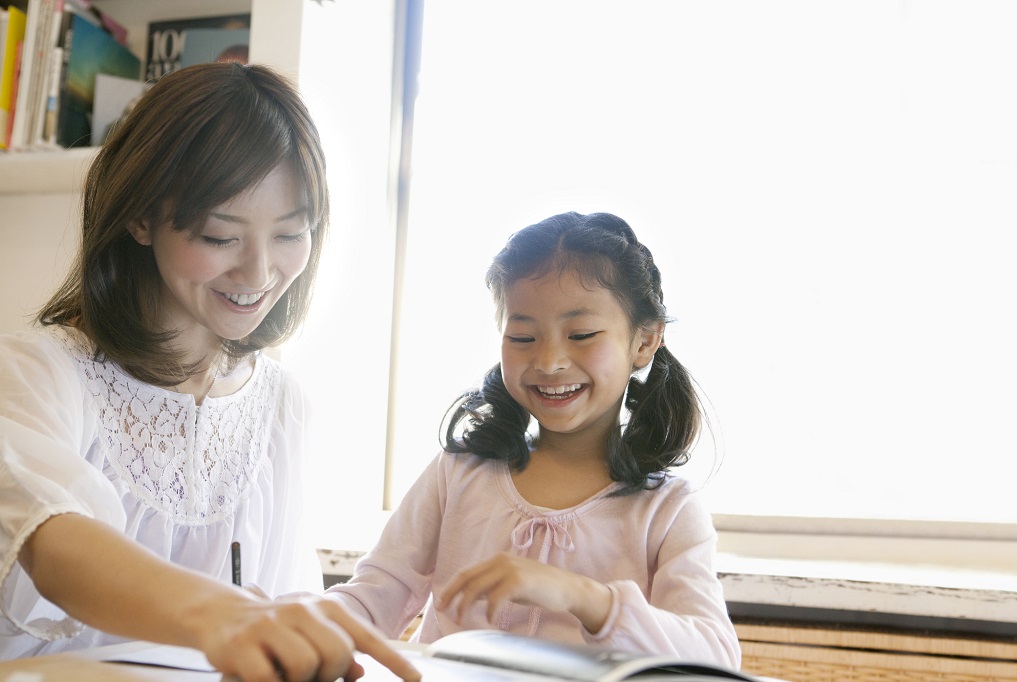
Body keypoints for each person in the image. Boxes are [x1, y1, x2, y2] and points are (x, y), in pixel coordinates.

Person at [0, 62, 419, 682]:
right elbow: (52, 542)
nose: (258, 274)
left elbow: (282, 606)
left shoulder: (280, 404)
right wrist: (222, 614)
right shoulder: (40, 371)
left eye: (290, 234)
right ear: (140, 219)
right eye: (221, 237)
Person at [325, 211, 742, 669]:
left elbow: (716, 659)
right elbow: (373, 596)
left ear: (644, 342)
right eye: (522, 336)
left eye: (581, 334)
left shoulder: (667, 510)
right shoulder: (458, 475)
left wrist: (585, 597)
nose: (549, 360)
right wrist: (304, 623)